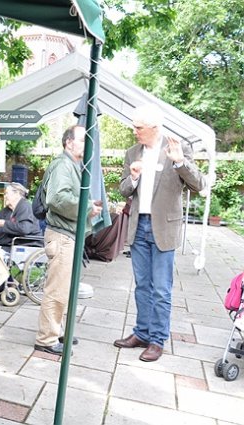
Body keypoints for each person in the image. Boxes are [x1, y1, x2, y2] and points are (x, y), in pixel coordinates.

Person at [113, 104, 205, 362]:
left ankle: (157, 339)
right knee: (142, 285)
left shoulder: (177, 148)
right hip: (139, 226)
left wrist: (179, 161)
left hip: (164, 227)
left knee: (161, 289)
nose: (134, 131)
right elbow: (124, 190)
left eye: (138, 127)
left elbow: (198, 184)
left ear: (154, 128)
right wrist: (132, 178)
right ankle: (141, 333)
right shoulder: (132, 152)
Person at [35, 125, 102, 355]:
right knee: (56, 290)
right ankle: (46, 339)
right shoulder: (63, 164)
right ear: (69, 142)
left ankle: (57, 331)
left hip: (66, 236)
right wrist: (86, 207)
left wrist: (88, 208)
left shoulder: (71, 164)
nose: (87, 145)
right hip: (62, 237)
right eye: (83, 140)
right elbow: (57, 198)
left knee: (64, 290)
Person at [0, 182, 42, 248]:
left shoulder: (25, 207)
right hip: (8, 245)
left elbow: (24, 228)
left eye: (6, 193)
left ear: (16, 194)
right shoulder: (8, 210)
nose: (5, 196)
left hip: (26, 245)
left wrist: (4, 223)